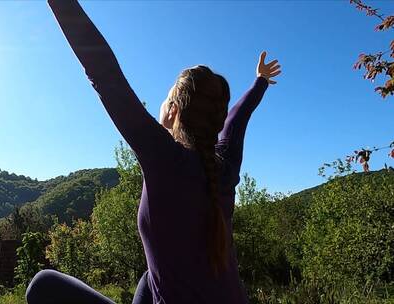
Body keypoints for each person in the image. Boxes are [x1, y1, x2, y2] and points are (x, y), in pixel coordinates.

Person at [26, 1, 282, 303]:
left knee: (42, 284)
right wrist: (260, 83)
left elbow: (104, 73)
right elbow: (236, 122)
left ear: (172, 111)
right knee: (150, 277)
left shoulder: (165, 157)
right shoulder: (223, 167)